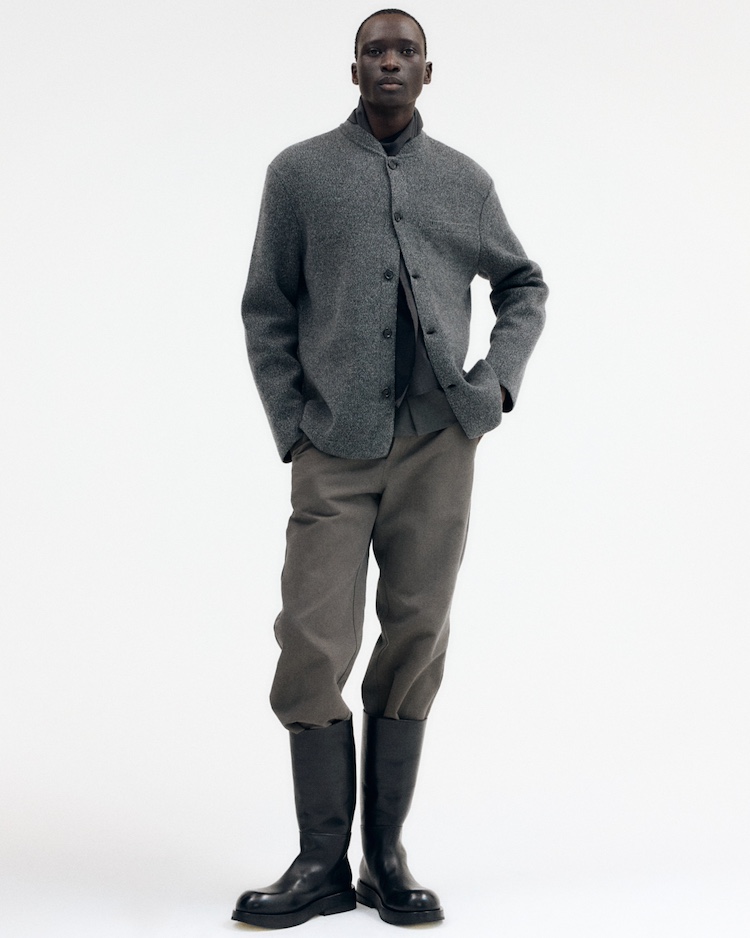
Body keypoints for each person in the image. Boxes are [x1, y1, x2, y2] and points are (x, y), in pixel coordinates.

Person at [232, 8, 547, 929]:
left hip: (439, 444)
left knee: (416, 636)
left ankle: (385, 858)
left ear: (428, 71)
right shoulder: (298, 174)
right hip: (334, 444)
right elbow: (265, 307)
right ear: (355, 69)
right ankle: (319, 864)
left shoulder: (464, 181)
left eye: (406, 51)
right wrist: (293, 425)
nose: (390, 62)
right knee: (311, 639)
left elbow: (523, 283)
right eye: (375, 50)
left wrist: (495, 384)